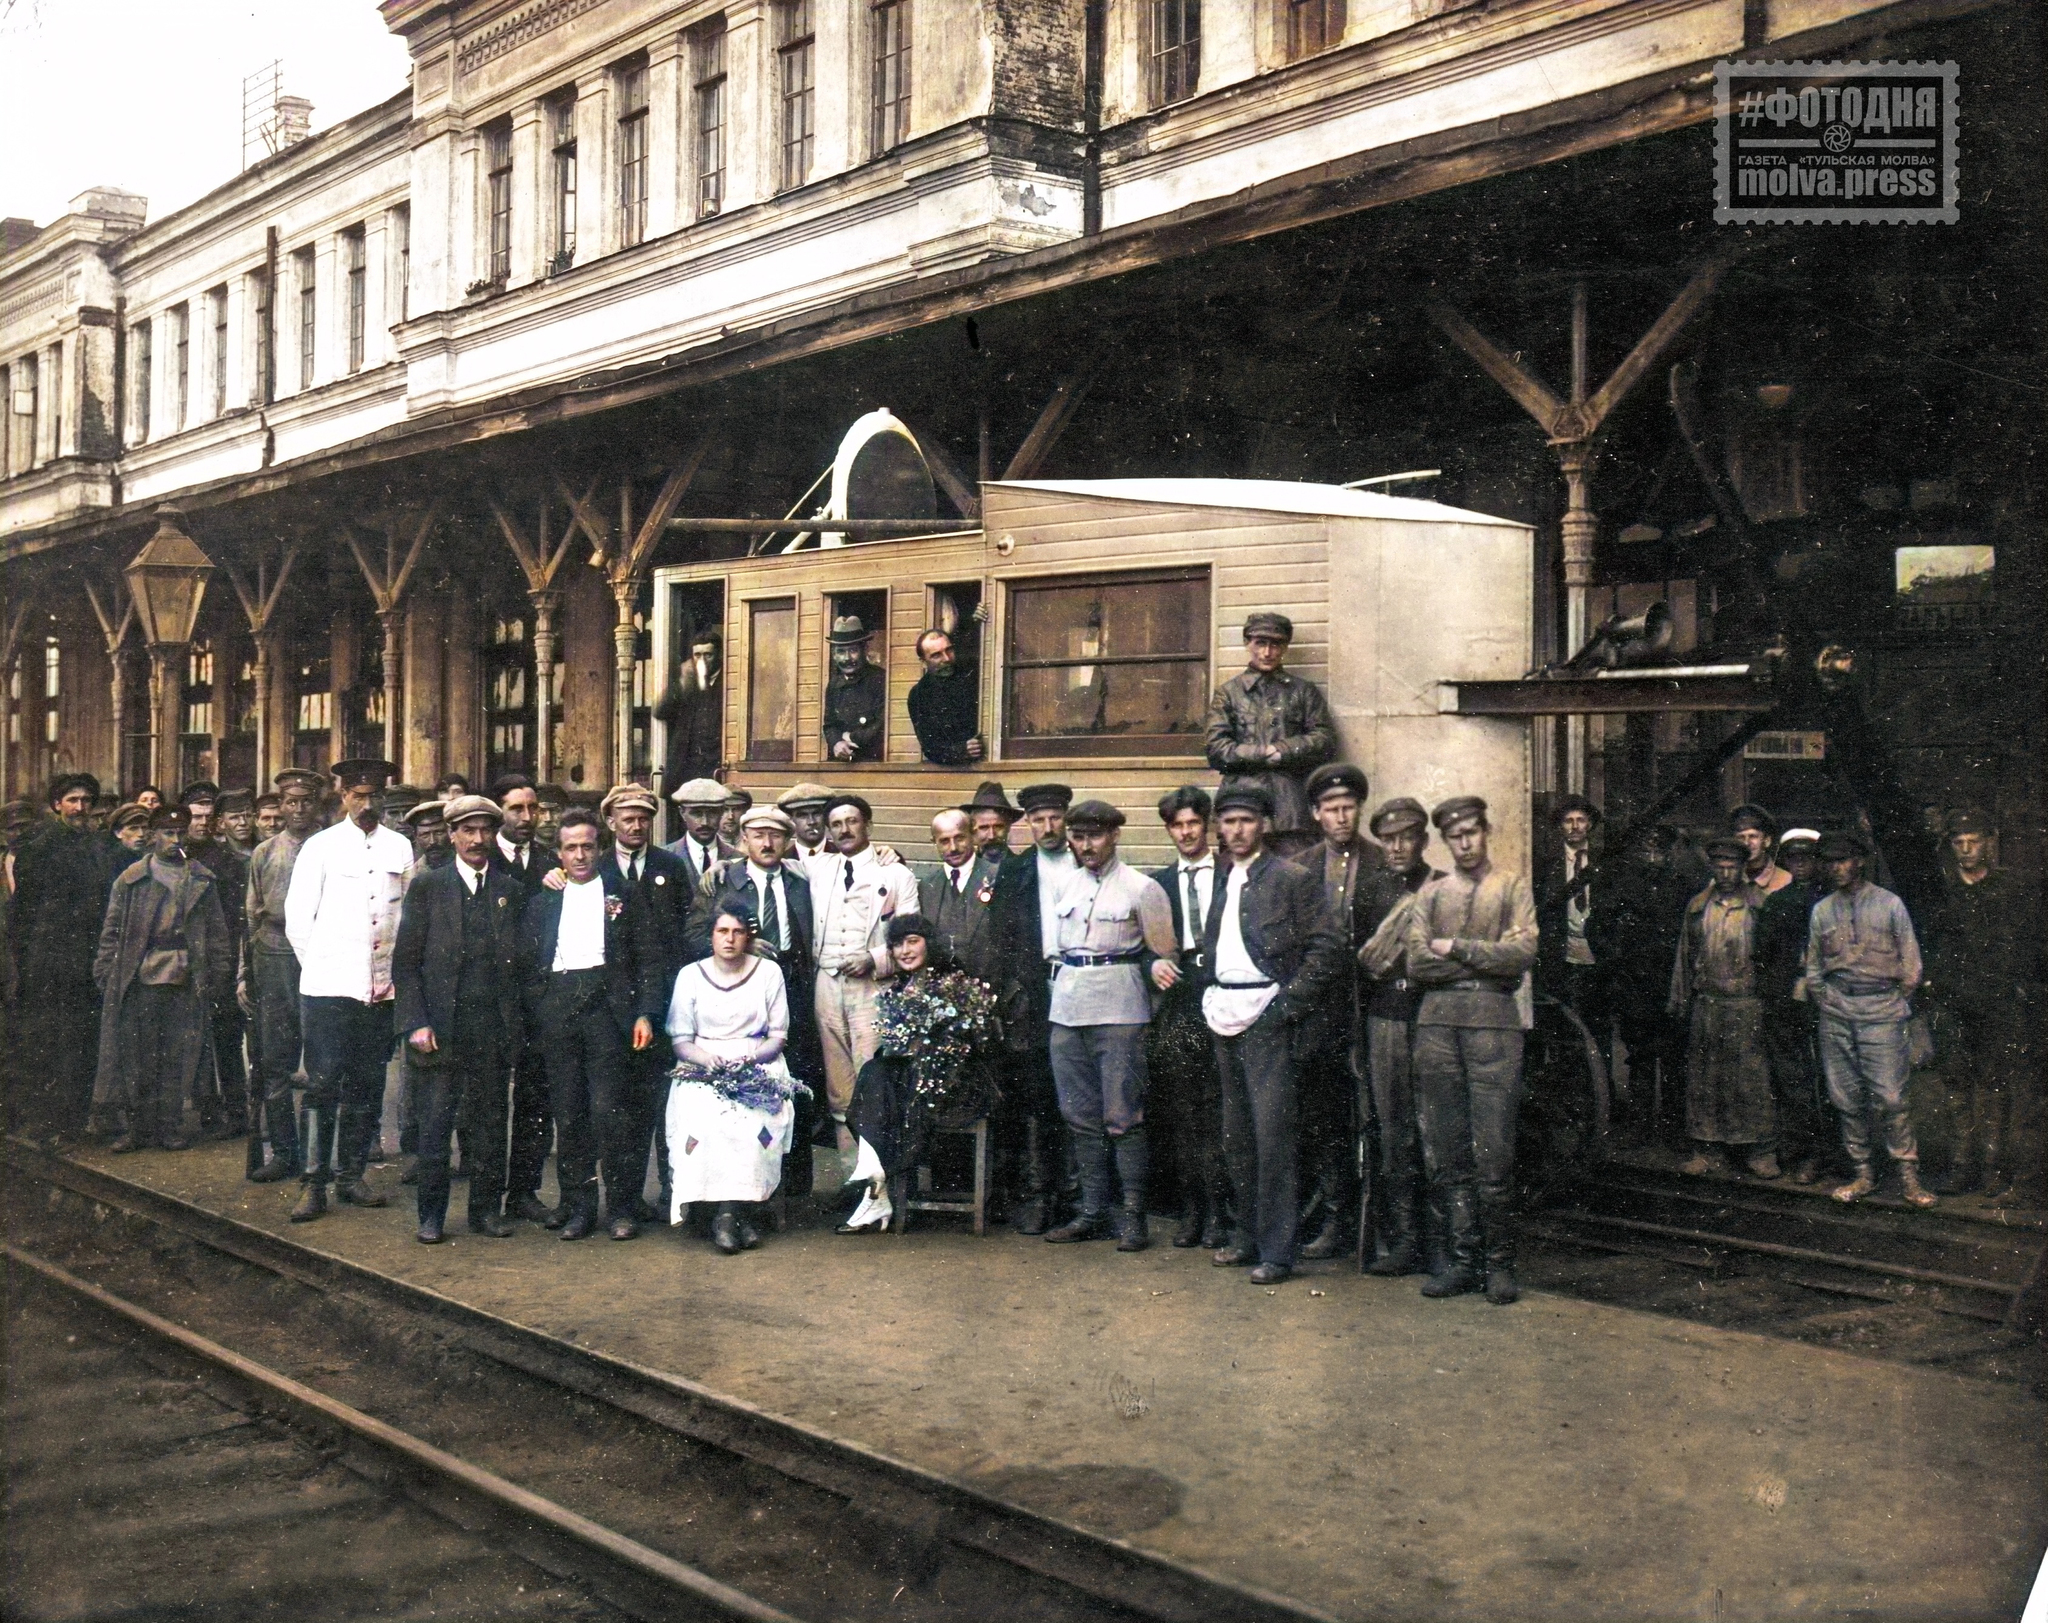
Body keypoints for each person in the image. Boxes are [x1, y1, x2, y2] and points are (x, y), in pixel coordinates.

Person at [1199, 783, 1346, 1286]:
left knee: (1273, 1137)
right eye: (1228, 821)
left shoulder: (1292, 878)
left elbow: (1327, 948)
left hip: (1268, 1015)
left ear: (1264, 825)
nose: (1236, 831)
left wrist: (1286, 1008)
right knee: (1235, 1136)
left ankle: (1278, 1252)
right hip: (1224, 1013)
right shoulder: (1222, 876)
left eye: (1246, 821)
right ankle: (1246, 1237)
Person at [1405, 795, 1540, 1304]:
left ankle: (1499, 1267)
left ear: (1486, 833)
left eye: (1472, 833)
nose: (1464, 843)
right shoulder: (1431, 893)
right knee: (1448, 1149)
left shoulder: (1511, 887)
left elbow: (1523, 952)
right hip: (1436, 1026)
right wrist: (1489, 963)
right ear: (1445, 840)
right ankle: (1463, 1262)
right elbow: (1417, 964)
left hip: (1493, 1029)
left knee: (1494, 1150)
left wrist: (1457, 948)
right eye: (1454, 835)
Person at [516, 808, 664, 1240]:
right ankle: (578, 1206)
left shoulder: (624, 893)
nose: (579, 856)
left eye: (586, 846)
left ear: (599, 848)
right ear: (558, 853)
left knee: (610, 1112)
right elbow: (527, 960)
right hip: (558, 1011)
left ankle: (620, 1208)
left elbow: (649, 960)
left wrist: (644, 1013)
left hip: (607, 1012)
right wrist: (540, 1007)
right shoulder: (545, 897)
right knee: (569, 1113)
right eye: (570, 848)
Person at [1041, 801, 1178, 1250]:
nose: (1086, 846)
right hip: (1067, 1012)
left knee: (1123, 1117)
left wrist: (1146, 1006)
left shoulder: (1143, 888)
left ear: (1115, 836)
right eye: (1078, 838)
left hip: (1120, 1014)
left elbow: (1165, 957)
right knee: (1079, 1116)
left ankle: (1134, 1217)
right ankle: (1093, 1211)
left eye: (1095, 836)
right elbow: (1056, 952)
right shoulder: (1063, 885)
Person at [282, 759, 411, 1222]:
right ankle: (313, 1183)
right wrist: (325, 969)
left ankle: (351, 1176)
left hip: (381, 990)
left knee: (367, 1083)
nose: (368, 803)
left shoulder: (400, 847)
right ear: (343, 797)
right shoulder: (321, 848)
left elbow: (405, 917)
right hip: (329, 988)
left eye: (375, 795)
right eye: (358, 795)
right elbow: (298, 920)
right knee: (322, 1084)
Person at [392, 795, 524, 1243]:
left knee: (489, 1126)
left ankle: (485, 1212)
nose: (477, 839)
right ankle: (430, 1216)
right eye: (467, 830)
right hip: (440, 1032)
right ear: (451, 836)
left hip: (490, 1031)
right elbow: (406, 963)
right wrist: (416, 1023)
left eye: (485, 830)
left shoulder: (509, 891)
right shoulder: (429, 888)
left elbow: (522, 968)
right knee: (434, 1129)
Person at [689, 804, 821, 1196]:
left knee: (793, 1087)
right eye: (759, 835)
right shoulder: (723, 881)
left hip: (795, 992)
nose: (767, 843)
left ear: (788, 840)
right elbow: (694, 935)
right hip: (741, 996)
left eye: (776, 835)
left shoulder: (801, 879)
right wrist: (741, 949)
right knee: (745, 1092)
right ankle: (742, 1187)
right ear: (743, 840)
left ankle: (793, 1188)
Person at [1799, 829, 1933, 1207]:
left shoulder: (1890, 904)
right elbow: (1813, 969)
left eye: (1843, 859)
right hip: (1838, 1013)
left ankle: (1909, 1177)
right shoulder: (1822, 910)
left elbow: (1911, 967)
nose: (1836, 868)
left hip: (1882, 1012)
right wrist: (1831, 1002)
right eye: (1830, 861)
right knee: (1846, 1099)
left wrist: (1886, 1002)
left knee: (1891, 1099)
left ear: (1860, 861)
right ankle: (1863, 1174)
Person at [841, 914, 1000, 1232]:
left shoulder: (952, 979)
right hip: (913, 1082)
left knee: (880, 1075)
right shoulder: (901, 985)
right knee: (877, 1068)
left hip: (954, 1084)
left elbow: (967, 1044)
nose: (904, 950)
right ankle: (877, 1183)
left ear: (930, 943)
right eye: (897, 944)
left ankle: (875, 1184)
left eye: (912, 941)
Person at [665, 901, 805, 1253]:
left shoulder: (769, 972)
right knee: (707, 1121)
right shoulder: (690, 975)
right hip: (702, 1065)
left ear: (748, 936)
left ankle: (729, 1216)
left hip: (757, 1063)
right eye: (722, 931)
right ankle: (732, 1217)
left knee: (753, 1122)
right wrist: (707, 1059)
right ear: (711, 936)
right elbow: (681, 1039)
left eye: (738, 932)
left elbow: (778, 1035)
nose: (730, 939)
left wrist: (750, 1059)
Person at [92, 805, 231, 1153]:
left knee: (177, 1054)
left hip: (186, 976)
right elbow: (111, 930)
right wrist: (106, 972)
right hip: (139, 977)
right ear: (153, 835)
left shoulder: (201, 878)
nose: (175, 839)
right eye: (168, 833)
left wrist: (216, 974)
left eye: (181, 832)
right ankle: (138, 1129)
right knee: (136, 1053)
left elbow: (217, 934)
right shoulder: (132, 878)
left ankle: (169, 1126)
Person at [1355, 796, 1445, 1276]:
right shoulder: (1370, 892)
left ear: (1423, 841)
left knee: (1440, 1130)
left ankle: (1443, 1243)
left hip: (1432, 1021)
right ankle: (1406, 1241)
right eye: (1388, 838)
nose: (1396, 847)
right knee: (1394, 1133)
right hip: (1386, 1021)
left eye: (1406, 837)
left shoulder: (1444, 890)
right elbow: (1359, 970)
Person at [809, 793, 920, 1173]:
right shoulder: (817, 868)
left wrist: (872, 959)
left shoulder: (896, 874)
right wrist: (721, 867)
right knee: (839, 1090)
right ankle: (851, 1182)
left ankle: (878, 1181)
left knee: (872, 1084)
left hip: (872, 989)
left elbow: (910, 939)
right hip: (827, 984)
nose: (844, 829)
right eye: (836, 824)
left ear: (868, 826)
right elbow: (764, 858)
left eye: (852, 821)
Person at [1929, 809, 2035, 1200]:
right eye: (1959, 843)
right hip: (1954, 1006)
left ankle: (1994, 1169)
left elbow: (2028, 946)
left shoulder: (2012, 889)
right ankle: (1962, 1168)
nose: (1966, 850)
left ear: (1989, 842)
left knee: (1996, 1088)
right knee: (1957, 1088)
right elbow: (1934, 948)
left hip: (1998, 1006)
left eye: (1973, 841)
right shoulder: (1944, 892)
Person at [1296, 762, 1378, 1260]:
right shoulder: (1300, 867)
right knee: (1324, 1117)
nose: (1342, 817)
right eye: (1332, 809)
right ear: (1316, 813)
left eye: (1349, 808)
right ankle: (1333, 1218)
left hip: (1371, 1005)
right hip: (1319, 1010)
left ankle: (1382, 1223)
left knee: (1375, 1114)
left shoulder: (1380, 860)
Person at [601, 782, 693, 1223]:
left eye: (643, 818)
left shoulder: (669, 867)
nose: (636, 825)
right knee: (625, 1109)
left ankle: (672, 1196)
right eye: (627, 818)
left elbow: (685, 926)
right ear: (611, 822)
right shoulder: (595, 869)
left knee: (666, 1101)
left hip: (666, 995)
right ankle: (626, 1201)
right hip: (614, 1004)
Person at [10, 772, 118, 1143]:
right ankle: (51, 1122)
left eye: (87, 801)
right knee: (51, 1043)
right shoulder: (38, 848)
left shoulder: (99, 847)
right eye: (73, 800)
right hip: (50, 962)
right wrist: (28, 964)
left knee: (85, 1041)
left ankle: (77, 1119)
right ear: (57, 804)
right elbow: (22, 914)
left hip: (88, 959)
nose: (80, 808)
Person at [991, 782, 1078, 1233]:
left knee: (1082, 1093)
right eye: (1039, 820)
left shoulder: (1087, 860)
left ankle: (1086, 1200)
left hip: (1083, 983)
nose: (1048, 828)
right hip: (1037, 990)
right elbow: (1002, 939)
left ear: (1066, 817)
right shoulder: (1017, 871)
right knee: (1042, 1096)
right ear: (1027, 823)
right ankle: (1045, 1196)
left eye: (1055, 818)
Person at [1149, 786, 1229, 1249]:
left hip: (1223, 993)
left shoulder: (1230, 874)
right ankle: (1191, 1212)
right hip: (1180, 1001)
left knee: (1220, 1109)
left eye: (1193, 824)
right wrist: (1151, 965)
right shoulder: (1156, 883)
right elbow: (1139, 945)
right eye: (1177, 826)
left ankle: (1221, 1214)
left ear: (1207, 825)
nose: (1186, 833)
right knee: (1184, 1110)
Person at [1669, 836, 1777, 1178]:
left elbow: (1773, 959)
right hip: (1709, 1004)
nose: (1727, 872)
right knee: (1706, 1077)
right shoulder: (1698, 906)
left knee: (1751, 1077)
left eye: (1733, 866)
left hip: (1748, 1004)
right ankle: (1707, 1148)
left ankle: (1759, 1150)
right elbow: (1684, 957)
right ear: (1713, 868)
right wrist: (1680, 998)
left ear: (1743, 868)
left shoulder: (1760, 905)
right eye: (1721, 866)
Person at [1585, 823, 1693, 1146]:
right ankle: (1640, 1127)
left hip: (1673, 985)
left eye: (1659, 849)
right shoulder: (1623, 885)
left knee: (1675, 1058)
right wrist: (1614, 964)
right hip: (1636, 985)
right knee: (1640, 1056)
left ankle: (1674, 1130)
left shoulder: (1684, 886)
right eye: (1647, 849)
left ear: (1670, 851)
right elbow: (1596, 926)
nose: (1653, 855)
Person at [242, 768, 323, 1183]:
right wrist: (246, 973)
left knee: (322, 1059)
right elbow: (251, 916)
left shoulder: (331, 847)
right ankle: (284, 1152)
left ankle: (318, 1156)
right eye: (290, 802)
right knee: (275, 1058)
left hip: (324, 953)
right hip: (274, 954)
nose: (298, 809)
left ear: (317, 803)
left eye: (306, 800)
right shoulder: (265, 852)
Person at [1203, 611, 1336, 857]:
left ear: (1285, 647)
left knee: (1296, 878)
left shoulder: (1303, 692)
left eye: (1275, 644)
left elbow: (1324, 740)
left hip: (1292, 811)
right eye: (1260, 643)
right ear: (1247, 643)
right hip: (1240, 805)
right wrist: (1263, 752)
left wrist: (1283, 750)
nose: (1267, 652)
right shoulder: (1228, 694)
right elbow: (1216, 748)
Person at [487, 773, 557, 1224]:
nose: (528, 817)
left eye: (533, 808)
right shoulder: (481, 856)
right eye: (517, 809)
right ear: (500, 812)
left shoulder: (553, 863)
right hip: (490, 1000)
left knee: (536, 1099)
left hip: (537, 1001)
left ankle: (524, 1192)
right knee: (489, 1102)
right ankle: (487, 1195)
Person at [1752, 828, 1828, 1183]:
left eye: (1807, 859)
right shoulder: (1777, 902)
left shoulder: (1829, 900)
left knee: (1827, 1082)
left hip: (1826, 1003)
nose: (1801, 866)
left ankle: (1829, 1155)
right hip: (1785, 1004)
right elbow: (1762, 956)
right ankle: (1799, 1152)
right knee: (1792, 1080)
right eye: (1794, 859)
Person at [184, 782, 251, 1142]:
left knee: (226, 1039)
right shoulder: (175, 859)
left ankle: (238, 1113)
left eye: (209, 818)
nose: (203, 824)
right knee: (193, 1040)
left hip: (221, 961)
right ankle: (206, 1109)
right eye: (196, 817)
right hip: (185, 962)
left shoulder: (230, 863)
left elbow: (238, 918)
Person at [918, 808, 1002, 986]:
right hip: (942, 993)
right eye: (944, 841)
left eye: (960, 838)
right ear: (934, 842)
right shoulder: (926, 886)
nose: (953, 848)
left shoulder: (999, 877)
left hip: (994, 990)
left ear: (973, 835)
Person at [654, 635, 725, 836]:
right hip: (686, 772)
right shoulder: (687, 682)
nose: (702, 661)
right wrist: (682, 684)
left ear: (719, 655)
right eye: (697, 655)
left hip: (715, 771)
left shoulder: (729, 684)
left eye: (708, 655)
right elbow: (660, 712)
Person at [906, 628, 983, 766]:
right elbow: (930, 748)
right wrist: (962, 751)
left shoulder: (974, 675)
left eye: (949, 650)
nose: (946, 658)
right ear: (923, 662)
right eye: (937, 655)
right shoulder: (919, 695)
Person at [822, 616, 887, 763]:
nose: (846, 658)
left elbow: (881, 725)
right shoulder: (834, 685)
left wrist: (850, 738)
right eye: (840, 651)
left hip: (874, 764)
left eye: (852, 650)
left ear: (865, 650)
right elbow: (830, 725)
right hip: (842, 765)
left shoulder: (880, 680)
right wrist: (837, 743)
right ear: (833, 655)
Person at [667, 777, 736, 888]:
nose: (705, 822)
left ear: (722, 812)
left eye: (712, 813)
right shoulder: (663, 858)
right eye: (696, 814)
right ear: (682, 813)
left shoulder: (738, 859)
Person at [1730, 804, 1792, 896]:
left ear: (1767, 841)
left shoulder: (1786, 881)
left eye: (1753, 836)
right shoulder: (1724, 880)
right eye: (1741, 837)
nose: (1746, 843)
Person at [777, 783, 836, 864]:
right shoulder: (781, 862)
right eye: (803, 815)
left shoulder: (842, 855)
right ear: (791, 820)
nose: (811, 822)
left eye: (817, 813)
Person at [960, 781, 1020, 858]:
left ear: (1008, 826)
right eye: (984, 827)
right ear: (972, 829)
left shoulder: (1023, 868)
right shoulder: (964, 869)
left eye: (998, 826)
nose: (991, 836)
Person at [218, 788, 257, 854]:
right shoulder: (216, 854)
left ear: (255, 819)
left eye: (247, 816)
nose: (243, 822)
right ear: (221, 823)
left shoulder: (267, 850)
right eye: (234, 818)